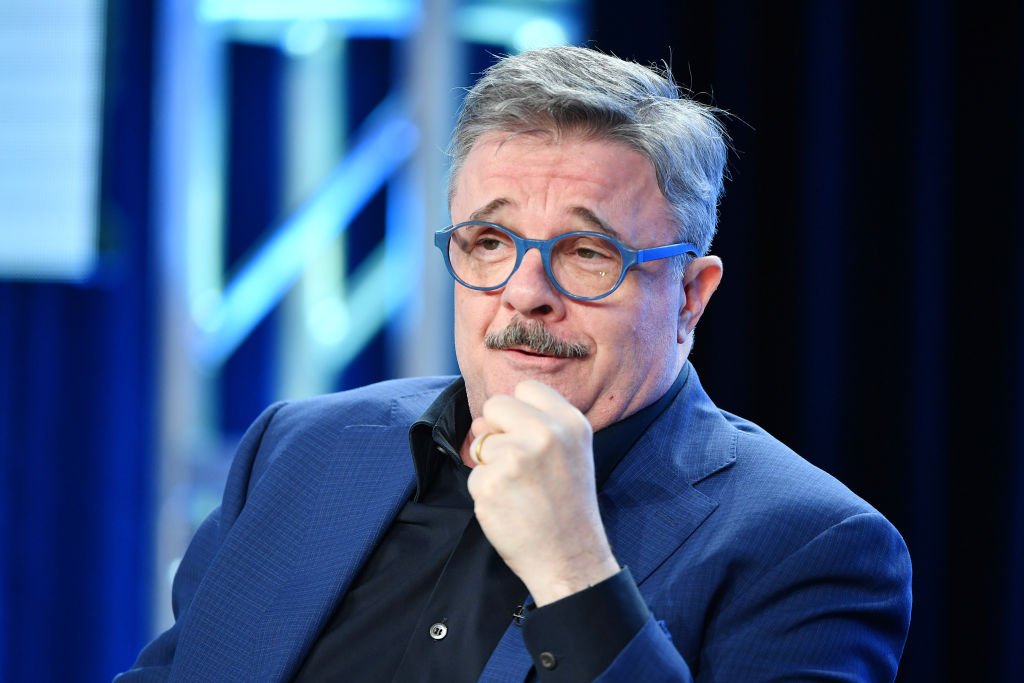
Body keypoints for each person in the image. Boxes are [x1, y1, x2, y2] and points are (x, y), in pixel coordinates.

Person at [118, 46, 912, 682]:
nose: (524, 293)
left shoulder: (810, 546)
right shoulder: (299, 449)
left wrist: (574, 570)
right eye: (490, 242)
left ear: (689, 299)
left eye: (588, 251)